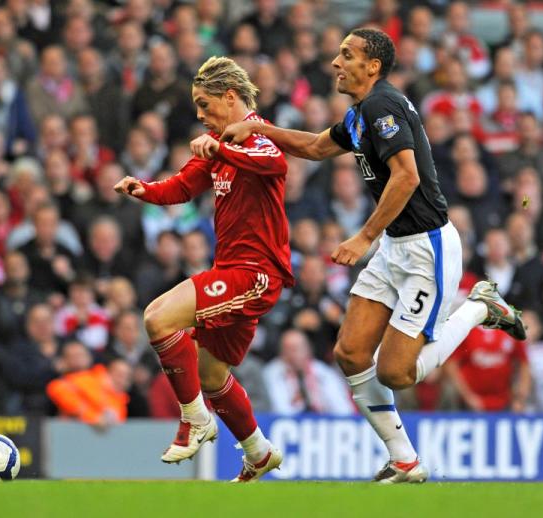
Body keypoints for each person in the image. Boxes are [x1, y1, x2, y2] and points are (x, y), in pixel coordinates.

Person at [220, 28, 526, 484]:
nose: (336, 62)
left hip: (427, 249)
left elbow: (406, 176)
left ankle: (482, 305)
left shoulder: (382, 106)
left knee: (398, 372)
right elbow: (317, 147)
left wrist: (363, 237)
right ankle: (404, 459)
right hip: (394, 248)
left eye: (347, 54)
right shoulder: (361, 112)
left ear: (373, 66)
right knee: (349, 353)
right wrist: (258, 128)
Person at [114, 56, 292, 482]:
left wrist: (222, 148)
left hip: (255, 273)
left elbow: (277, 164)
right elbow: (181, 186)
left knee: (157, 318)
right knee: (212, 375)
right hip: (231, 270)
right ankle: (259, 451)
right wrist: (143, 189)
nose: (199, 115)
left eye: (204, 104)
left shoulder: (258, 136)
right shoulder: (217, 142)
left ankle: (195, 419)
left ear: (230, 98)